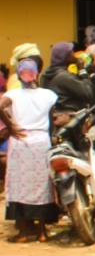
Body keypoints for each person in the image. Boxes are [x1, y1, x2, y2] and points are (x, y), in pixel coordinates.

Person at [0, 59, 58, 242]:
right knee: (42, 185)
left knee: (19, 185)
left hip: (20, 141)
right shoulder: (49, 95)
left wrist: (11, 126)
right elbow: (51, 121)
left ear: (19, 75)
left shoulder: (13, 95)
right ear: (36, 75)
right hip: (41, 141)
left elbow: (0, 106)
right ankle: (42, 232)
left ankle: (23, 233)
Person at [40, 41, 93, 115]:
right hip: (69, 119)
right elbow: (87, 94)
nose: (74, 54)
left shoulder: (45, 74)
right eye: (71, 52)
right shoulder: (64, 77)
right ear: (65, 57)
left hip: (54, 118)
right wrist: (82, 71)